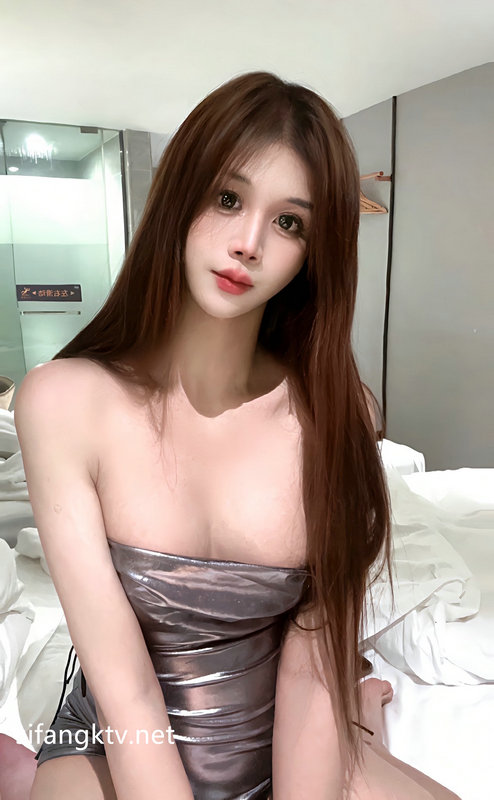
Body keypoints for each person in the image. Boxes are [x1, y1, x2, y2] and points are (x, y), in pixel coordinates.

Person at [12, 72, 461, 800]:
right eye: (227, 199)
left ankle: (362, 715)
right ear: (180, 197)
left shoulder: (335, 413)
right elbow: (126, 690)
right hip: (120, 739)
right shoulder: (64, 401)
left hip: (284, 723)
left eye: (289, 223)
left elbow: (310, 669)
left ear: (313, 251)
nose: (248, 244)